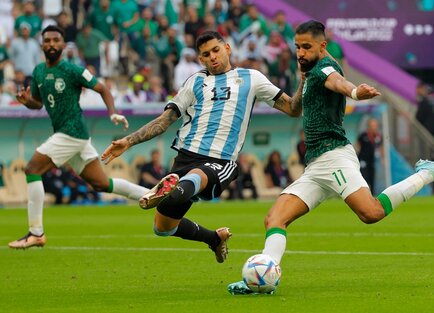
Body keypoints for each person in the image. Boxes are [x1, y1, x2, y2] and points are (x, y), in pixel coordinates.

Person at [227, 20, 434, 295]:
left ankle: (427, 172)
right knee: (274, 219)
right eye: (297, 47)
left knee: (371, 213)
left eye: (306, 47)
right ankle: (262, 279)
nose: (300, 53)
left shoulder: (322, 69)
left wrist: (353, 91)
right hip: (315, 166)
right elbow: (305, 95)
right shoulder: (313, 67)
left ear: (322, 47)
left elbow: (336, 81)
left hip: (335, 156)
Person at [101, 30, 302, 263]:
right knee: (162, 227)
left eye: (216, 50)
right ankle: (214, 238)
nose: (212, 57)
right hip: (185, 156)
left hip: (219, 160)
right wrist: (128, 141)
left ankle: (170, 189)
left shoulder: (252, 78)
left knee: (193, 179)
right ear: (201, 59)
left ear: (227, 48)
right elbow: (165, 120)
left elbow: (292, 109)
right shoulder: (195, 81)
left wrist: (304, 78)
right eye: (206, 55)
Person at [8, 25, 149, 249]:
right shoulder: (38, 72)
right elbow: (38, 104)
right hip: (69, 136)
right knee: (101, 183)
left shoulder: (72, 70)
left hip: (72, 131)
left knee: (32, 169)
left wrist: (112, 112)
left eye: (56, 40)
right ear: (42, 45)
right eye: (48, 40)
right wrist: (27, 102)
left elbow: (102, 88)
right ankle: (154, 195)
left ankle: (36, 233)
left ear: (63, 45)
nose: (52, 44)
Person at [355, 118, 384, 195]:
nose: (374, 127)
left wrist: (382, 159)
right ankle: (363, 195)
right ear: (369, 126)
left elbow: (381, 148)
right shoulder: (363, 135)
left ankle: (372, 196)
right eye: (372, 125)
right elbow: (357, 145)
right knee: (364, 178)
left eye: (375, 125)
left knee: (372, 179)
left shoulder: (378, 137)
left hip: (372, 161)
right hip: (363, 161)